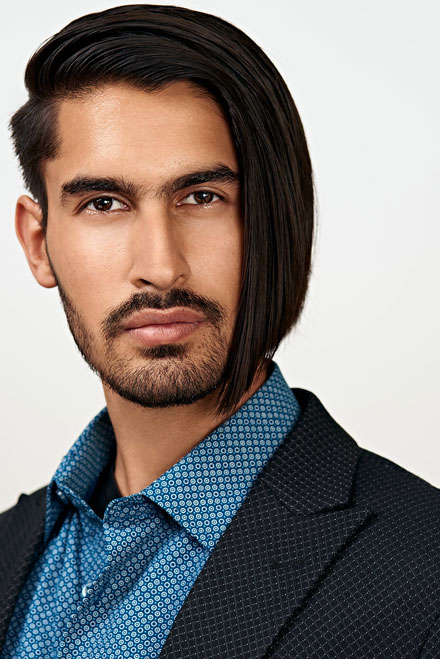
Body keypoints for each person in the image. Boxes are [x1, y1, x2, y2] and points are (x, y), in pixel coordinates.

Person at [0, 4, 439, 657]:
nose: (160, 266)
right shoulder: (11, 544)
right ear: (39, 243)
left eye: (201, 197)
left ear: (275, 220)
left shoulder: (423, 576)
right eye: (103, 203)